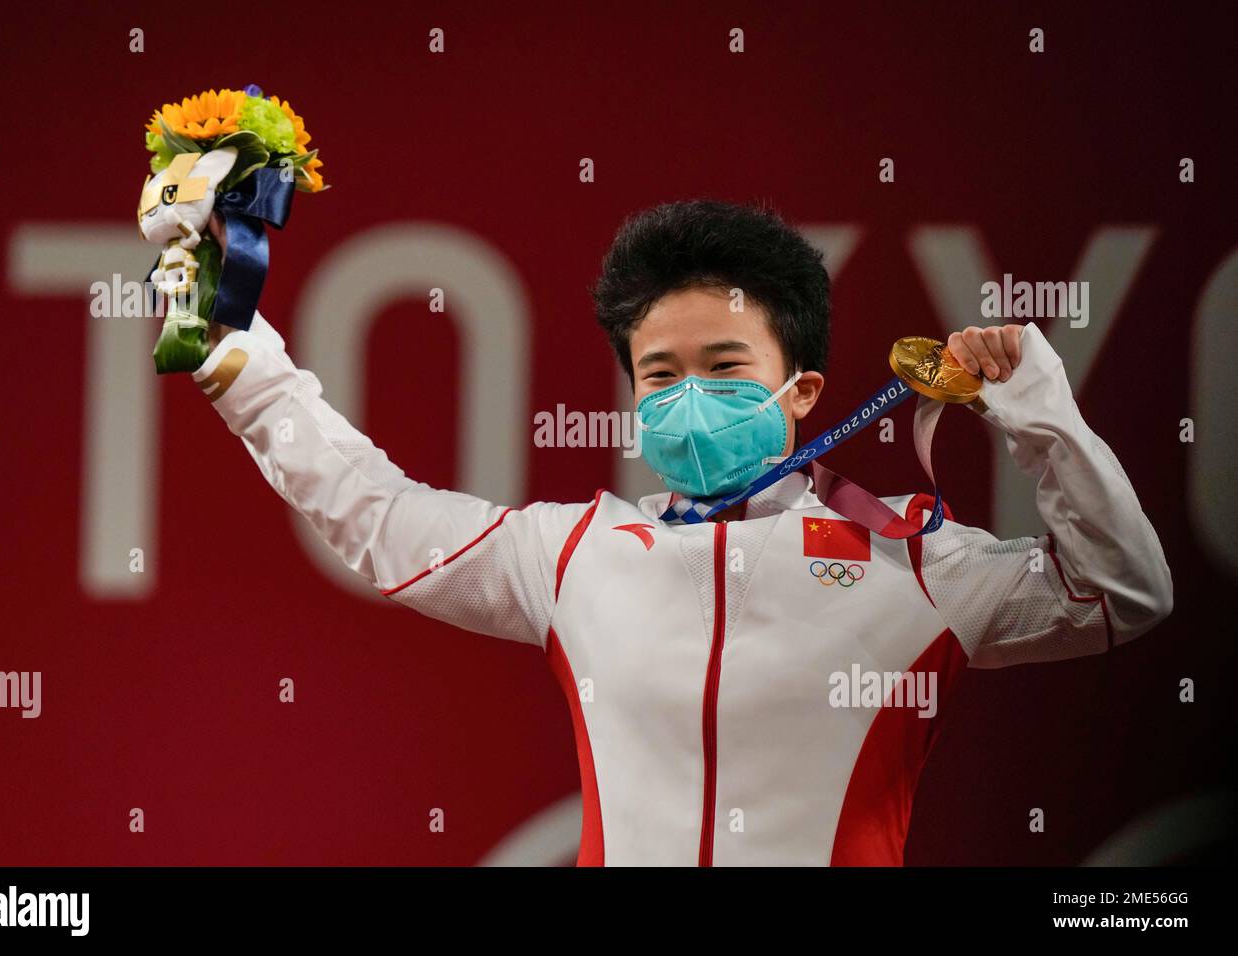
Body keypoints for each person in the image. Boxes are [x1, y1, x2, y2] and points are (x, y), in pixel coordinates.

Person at [192, 199, 1172, 865]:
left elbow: (1121, 590)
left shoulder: (913, 563)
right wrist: (238, 352)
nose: (689, 397)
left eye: (726, 365)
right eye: (660, 374)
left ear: (804, 391)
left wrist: (1036, 411)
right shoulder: (575, 554)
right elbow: (379, 513)